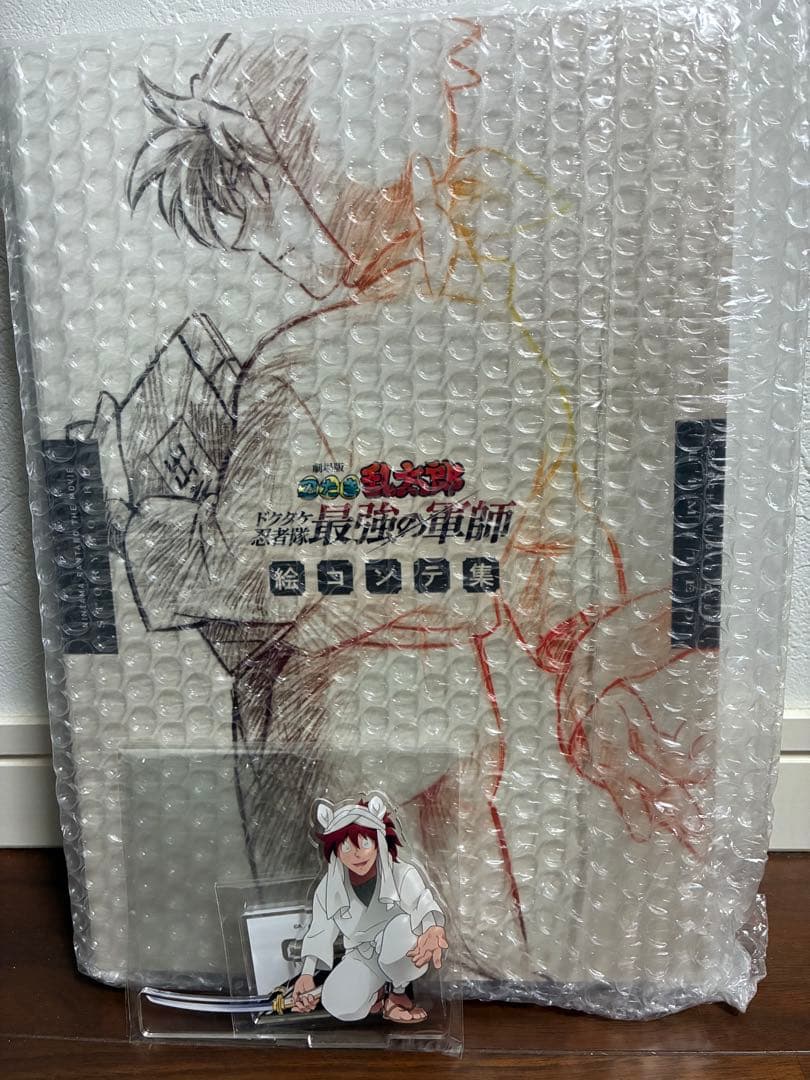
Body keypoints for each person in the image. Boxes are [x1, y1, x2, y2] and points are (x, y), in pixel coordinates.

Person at [291, 796, 448, 1023]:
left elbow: (422, 901)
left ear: (377, 842)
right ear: (336, 851)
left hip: (398, 947)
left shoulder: (401, 873)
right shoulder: (328, 889)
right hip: (361, 956)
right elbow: (320, 930)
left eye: (364, 843)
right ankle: (376, 995)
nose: (357, 854)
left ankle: (398, 995)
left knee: (404, 928)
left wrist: (433, 929)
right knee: (336, 1001)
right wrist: (307, 973)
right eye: (346, 847)